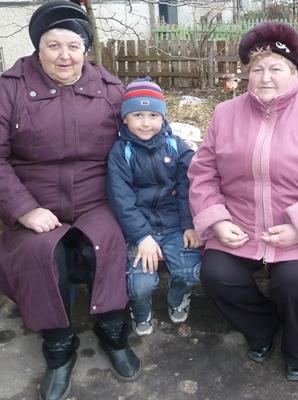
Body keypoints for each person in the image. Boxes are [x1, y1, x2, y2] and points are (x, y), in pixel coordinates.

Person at [0, 2, 141, 399]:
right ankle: (59, 348)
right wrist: (24, 209)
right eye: (53, 46)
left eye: (73, 46)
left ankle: (113, 334)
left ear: (86, 50)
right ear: (38, 49)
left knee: (109, 241)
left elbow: (139, 136)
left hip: (97, 198)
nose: (64, 56)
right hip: (35, 199)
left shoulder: (109, 88)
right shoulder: (11, 87)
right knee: (39, 252)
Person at [188, 21, 298, 381]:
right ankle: (261, 327)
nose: (265, 77)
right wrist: (217, 220)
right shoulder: (225, 114)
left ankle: (297, 348)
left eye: (276, 69)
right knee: (217, 275)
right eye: (257, 69)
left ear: (294, 73)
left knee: (296, 282)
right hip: (240, 224)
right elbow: (203, 173)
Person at [106, 78, 202, 337]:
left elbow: (187, 188)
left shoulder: (176, 146)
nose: (146, 123)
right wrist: (141, 236)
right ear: (125, 118)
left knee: (191, 272)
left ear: (163, 117)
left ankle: (178, 297)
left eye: (153, 115)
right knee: (141, 285)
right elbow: (122, 200)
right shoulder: (120, 153)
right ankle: (140, 309)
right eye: (137, 115)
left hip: (174, 225)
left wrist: (188, 224)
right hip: (140, 228)